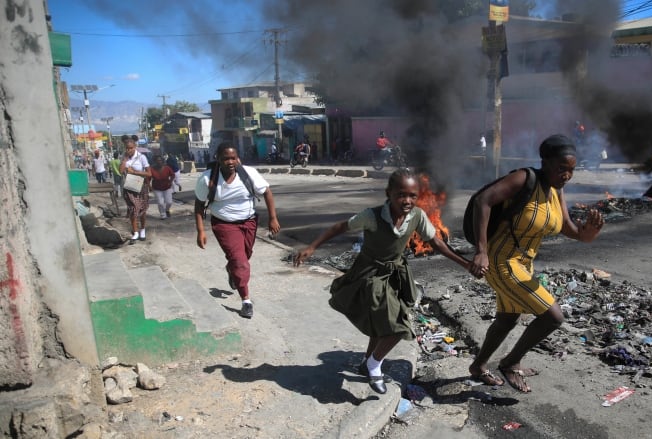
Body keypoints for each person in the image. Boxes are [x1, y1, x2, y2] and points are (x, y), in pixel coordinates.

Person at [293, 168, 477, 394]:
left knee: (382, 325)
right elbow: (339, 227)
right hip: (370, 274)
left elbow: (436, 242)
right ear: (388, 193)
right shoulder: (372, 216)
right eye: (401, 195)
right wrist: (312, 247)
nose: (407, 200)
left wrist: (465, 264)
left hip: (395, 275)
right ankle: (374, 366)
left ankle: (367, 363)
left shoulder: (417, 216)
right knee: (398, 328)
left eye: (412, 195)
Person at [467, 134, 604, 392]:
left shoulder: (556, 191)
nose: (566, 175)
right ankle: (510, 362)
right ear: (546, 162)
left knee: (508, 317)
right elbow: (482, 201)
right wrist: (481, 250)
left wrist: (586, 235)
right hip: (501, 260)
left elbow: (566, 226)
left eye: (571, 170)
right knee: (553, 317)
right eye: (562, 168)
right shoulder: (524, 178)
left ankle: (478, 366)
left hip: (523, 263)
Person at [194, 142, 281, 319]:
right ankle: (246, 301)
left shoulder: (248, 173)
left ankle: (231, 269)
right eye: (226, 158)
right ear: (218, 159)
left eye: (233, 158)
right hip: (224, 225)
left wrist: (273, 218)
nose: (230, 162)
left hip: (249, 222)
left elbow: (267, 192)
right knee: (240, 261)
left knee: (244, 256)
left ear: (238, 158)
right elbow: (198, 205)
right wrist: (200, 230)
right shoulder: (207, 178)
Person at [119, 134, 151, 244]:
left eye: (131, 148)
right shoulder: (124, 157)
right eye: (127, 148)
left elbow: (149, 173)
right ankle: (135, 231)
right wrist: (124, 160)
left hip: (141, 186)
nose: (129, 150)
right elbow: (120, 171)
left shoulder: (142, 157)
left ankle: (142, 229)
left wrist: (135, 172)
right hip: (129, 188)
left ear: (135, 147)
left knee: (142, 210)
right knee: (133, 209)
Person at [150, 155, 176, 219]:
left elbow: (173, 175)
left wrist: (170, 182)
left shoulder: (167, 168)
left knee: (169, 202)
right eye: (157, 160)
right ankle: (162, 214)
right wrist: (149, 187)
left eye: (160, 160)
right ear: (155, 161)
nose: (159, 162)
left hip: (167, 187)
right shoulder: (152, 169)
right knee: (160, 203)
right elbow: (148, 178)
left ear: (162, 161)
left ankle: (167, 210)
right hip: (157, 188)